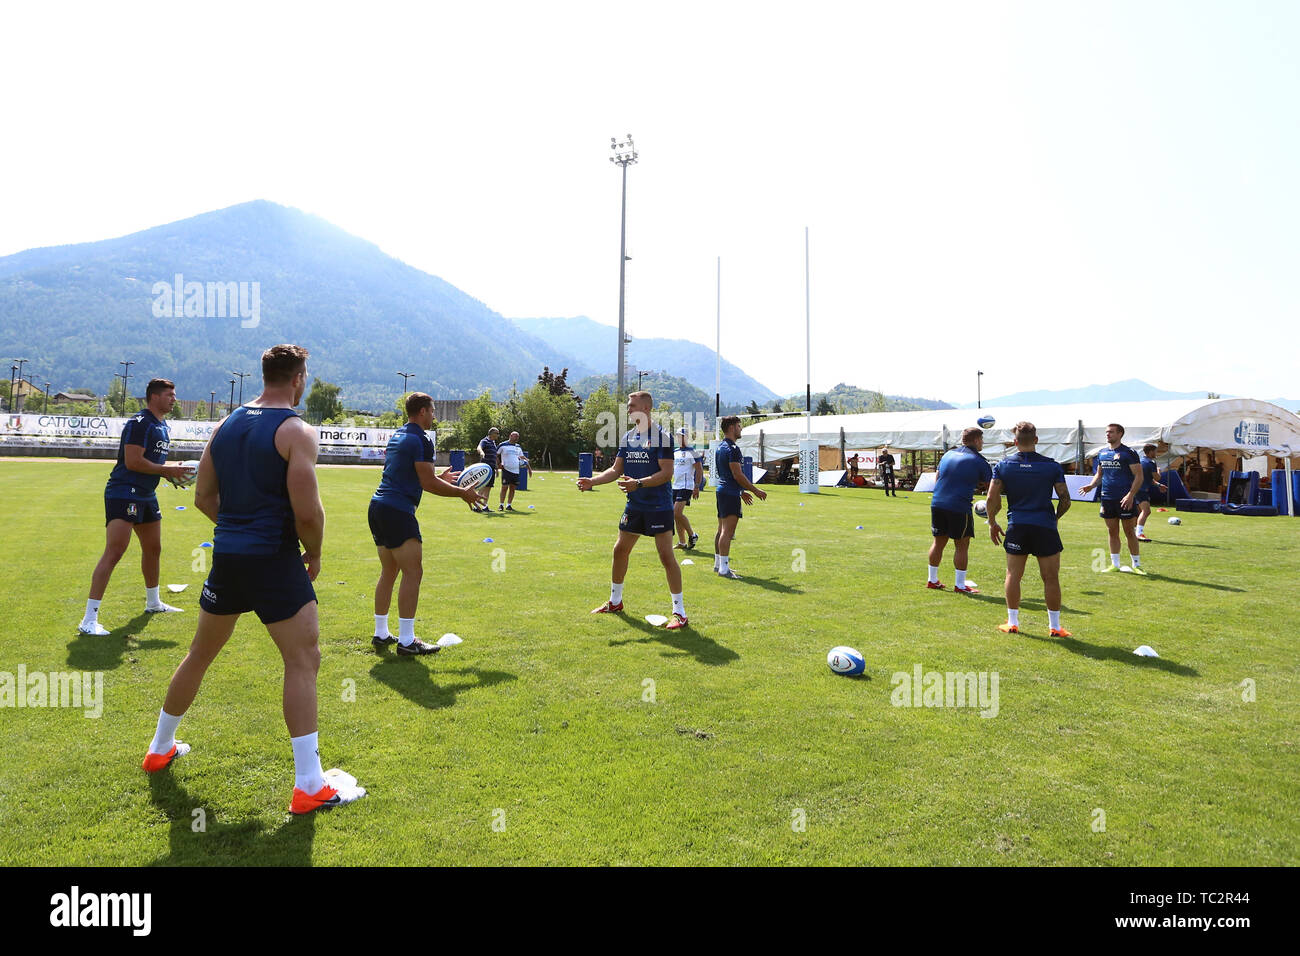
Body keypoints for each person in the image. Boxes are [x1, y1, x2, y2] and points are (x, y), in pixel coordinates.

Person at [139, 344, 366, 815]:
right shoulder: (297, 431)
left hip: (230, 557)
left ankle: (160, 748)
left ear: (265, 375)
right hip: (274, 561)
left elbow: (203, 496)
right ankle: (309, 785)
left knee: (199, 654)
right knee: (303, 660)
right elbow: (308, 512)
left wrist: (239, 528)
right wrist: (315, 552)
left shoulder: (226, 425)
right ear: (299, 376)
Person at [370, 392, 484, 654]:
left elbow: (406, 472)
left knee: (389, 571)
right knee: (413, 572)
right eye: (432, 411)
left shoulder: (400, 434)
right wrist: (462, 493)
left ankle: (381, 633)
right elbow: (427, 483)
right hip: (397, 511)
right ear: (422, 411)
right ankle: (408, 642)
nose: (433, 416)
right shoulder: (422, 438)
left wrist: (438, 475)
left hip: (378, 507)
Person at [78, 378, 193, 635]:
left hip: (146, 494)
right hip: (123, 492)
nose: (174, 399)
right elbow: (132, 462)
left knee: (153, 548)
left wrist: (168, 476)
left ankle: (153, 603)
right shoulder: (140, 423)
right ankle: (88, 620)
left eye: (174, 395)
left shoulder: (162, 425)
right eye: (169, 395)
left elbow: (151, 465)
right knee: (115, 551)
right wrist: (167, 470)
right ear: (154, 397)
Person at [577, 391, 688, 629]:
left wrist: (638, 483)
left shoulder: (662, 437)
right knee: (619, 551)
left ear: (646, 408)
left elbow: (666, 473)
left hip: (659, 506)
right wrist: (591, 481)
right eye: (628, 405)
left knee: (666, 556)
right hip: (635, 505)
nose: (628, 409)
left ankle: (679, 612)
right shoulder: (628, 436)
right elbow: (616, 470)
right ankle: (615, 602)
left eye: (632, 405)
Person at [986, 421, 1072, 637]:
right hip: (1045, 526)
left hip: (1018, 525)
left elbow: (991, 497)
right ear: (1036, 440)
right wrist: (1055, 519)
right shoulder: (1052, 466)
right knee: (1051, 578)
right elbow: (1065, 500)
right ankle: (1055, 627)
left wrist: (992, 521)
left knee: (1013, 575)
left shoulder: (1003, 466)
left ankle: (1012, 623)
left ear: (1015, 442)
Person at [926, 427, 992, 593]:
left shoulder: (948, 454)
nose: (982, 443)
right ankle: (960, 585)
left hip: (938, 502)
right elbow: (991, 488)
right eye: (982, 440)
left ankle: (932, 580)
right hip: (959, 506)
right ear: (976, 440)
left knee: (938, 542)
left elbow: (938, 477)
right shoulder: (979, 461)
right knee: (962, 545)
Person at [1078, 423, 1146, 574]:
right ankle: (1115, 564)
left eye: (1111, 432)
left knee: (1129, 531)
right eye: (1107, 432)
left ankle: (1136, 565)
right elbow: (1099, 474)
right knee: (1112, 531)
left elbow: (1139, 476)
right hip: (1107, 498)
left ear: (1120, 434)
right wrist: (1091, 485)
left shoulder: (1129, 453)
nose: (1108, 434)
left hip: (1125, 499)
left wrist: (1130, 495)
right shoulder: (1102, 453)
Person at [713, 415, 767, 579]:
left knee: (721, 530)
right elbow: (737, 474)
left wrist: (741, 492)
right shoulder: (733, 449)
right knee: (727, 533)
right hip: (729, 493)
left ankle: (718, 565)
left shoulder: (720, 447)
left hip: (723, 491)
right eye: (738, 425)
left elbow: (726, 473)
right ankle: (724, 569)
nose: (741, 428)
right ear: (731, 428)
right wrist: (755, 490)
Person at [671, 426, 704, 549]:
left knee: (676, 512)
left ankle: (692, 534)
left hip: (686, 486)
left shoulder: (692, 452)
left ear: (687, 438)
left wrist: (697, 486)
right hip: (675, 486)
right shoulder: (675, 452)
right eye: (679, 436)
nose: (680, 438)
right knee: (676, 515)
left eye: (683, 436)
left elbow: (699, 469)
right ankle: (682, 542)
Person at [1135, 444, 1167, 541]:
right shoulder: (1151, 462)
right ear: (1150, 452)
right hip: (1141, 490)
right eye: (1155, 451)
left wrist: (1158, 485)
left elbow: (1148, 479)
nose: (1156, 453)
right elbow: (1157, 477)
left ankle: (1134, 532)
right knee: (1146, 511)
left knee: (1139, 512)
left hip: (1134, 488)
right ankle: (1139, 533)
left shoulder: (1140, 461)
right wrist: (1158, 470)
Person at [496, 431, 529, 511]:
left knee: (512, 488)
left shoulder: (518, 446)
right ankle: (501, 505)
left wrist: (527, 463)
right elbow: (496, 454)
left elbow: (521, 456)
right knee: (504, 488)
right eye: (515, 436)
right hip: (506, 470)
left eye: (517, 437)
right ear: (510, 436)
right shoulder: (503, 445)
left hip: (516, 471)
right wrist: (499, 464)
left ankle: (509, 505)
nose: (516, 438)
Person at [472, 427, 499, 513]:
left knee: (488, 487)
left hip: (492, 468)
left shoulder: (493, 443)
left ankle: (485, 506)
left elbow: (494, 457)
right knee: (482, 487)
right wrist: (482, 452)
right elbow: (479, 447)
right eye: (496, 433)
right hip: (485, 469)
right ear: (491, 434)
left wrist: (497, 468)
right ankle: (477, 506)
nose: (498, 435)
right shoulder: (484, 441)